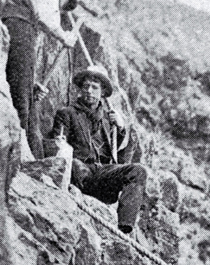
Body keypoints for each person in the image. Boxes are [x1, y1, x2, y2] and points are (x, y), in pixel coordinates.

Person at [51, 65, 147, 234]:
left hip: (102, 176)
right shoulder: (67, 113)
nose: (89, 91)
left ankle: (124, 226)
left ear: (102, 92)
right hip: (79, 172)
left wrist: (121, 128)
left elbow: (123, 160)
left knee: (138, 171)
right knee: (74, 164)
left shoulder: (108, 121)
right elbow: (58, 145)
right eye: (85, 86)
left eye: (94, 87)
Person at [2, 0, 78, 159]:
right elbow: (47, 17)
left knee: (26, 95)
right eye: (61, 6)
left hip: (16, 27)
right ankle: (17, 155)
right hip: (20, 28)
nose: (58, 11)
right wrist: (65, 37)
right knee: (22, 98)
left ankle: (27, 153)